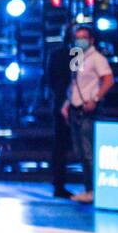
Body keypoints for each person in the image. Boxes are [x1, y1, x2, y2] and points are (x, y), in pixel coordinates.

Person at [63, 25, 114, 204]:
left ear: (91, 40)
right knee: (80, 152)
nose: (80, 40)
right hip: (75, 107)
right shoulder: (77, 56)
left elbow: (108, 79)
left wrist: (96, 98)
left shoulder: (97, 58)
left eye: (84, 37)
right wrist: (67, 103)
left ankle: (94, 190)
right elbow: (74, 82)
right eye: (78, 37)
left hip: (88, 108)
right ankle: (88, 188)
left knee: (88, 150)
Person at [45, 27, 75, 199]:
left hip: (60, 99)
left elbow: (50, 78)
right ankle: (59, 184)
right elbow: (75, 78)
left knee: (60, 146)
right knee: (62, 145)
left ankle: (58, 184)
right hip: (68, 101)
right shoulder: (75, 53)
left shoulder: (55, 53)